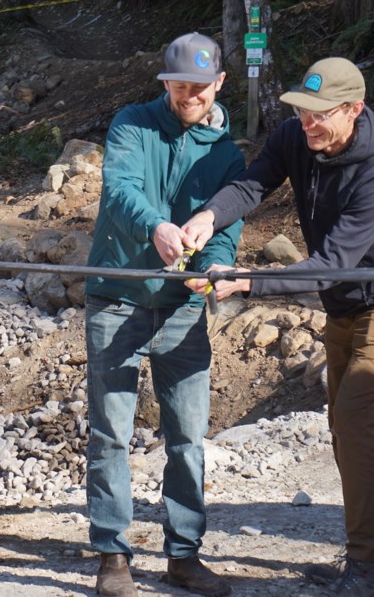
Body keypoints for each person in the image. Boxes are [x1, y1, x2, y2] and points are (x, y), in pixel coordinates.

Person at [185, 57, 374, 597]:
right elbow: (252, 186)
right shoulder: (298, 137)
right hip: (343, 302)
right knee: (344, 427)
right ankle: (373, 548)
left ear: (354, 110)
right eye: (302, 112)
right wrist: (207, 217)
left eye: (321, 115)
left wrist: (245, 282)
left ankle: (366, 569)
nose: (308, 123)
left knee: (354, 416)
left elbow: (333, 262)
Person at [85, 32, 243, 597]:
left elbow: (227, 227)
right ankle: (112, 556)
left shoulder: (228, 153)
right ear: (165, 83)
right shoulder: (132, 123)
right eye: (179, 87)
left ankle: (184, 554)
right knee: (110, 432)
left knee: (188, 434)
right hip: (117, 294)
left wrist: (218, 270)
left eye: (199, 88)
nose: (188, 97)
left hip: (181, 307)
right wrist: (156, 225)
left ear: (219, 83)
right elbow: (120, 188)